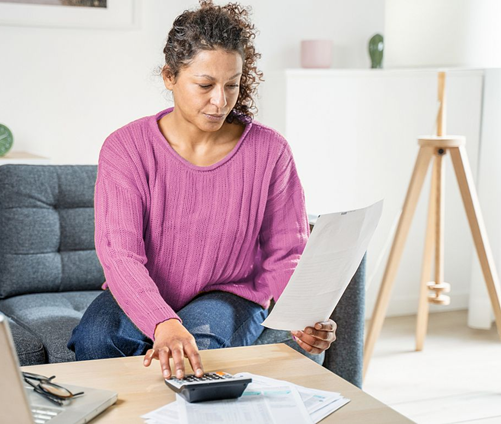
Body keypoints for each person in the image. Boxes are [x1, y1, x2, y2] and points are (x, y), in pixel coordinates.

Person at [67, 0, 337, 380]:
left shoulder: (270, 151)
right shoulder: (125, 148)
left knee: (200, 351)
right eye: (205, 85)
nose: (220, 101)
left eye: (232, 85)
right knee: (97, 341)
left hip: (228, 293)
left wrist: (302, 317)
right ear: (169, 76)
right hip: (147, 287)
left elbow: (287, 251)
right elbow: (119, 254)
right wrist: (163, 322)